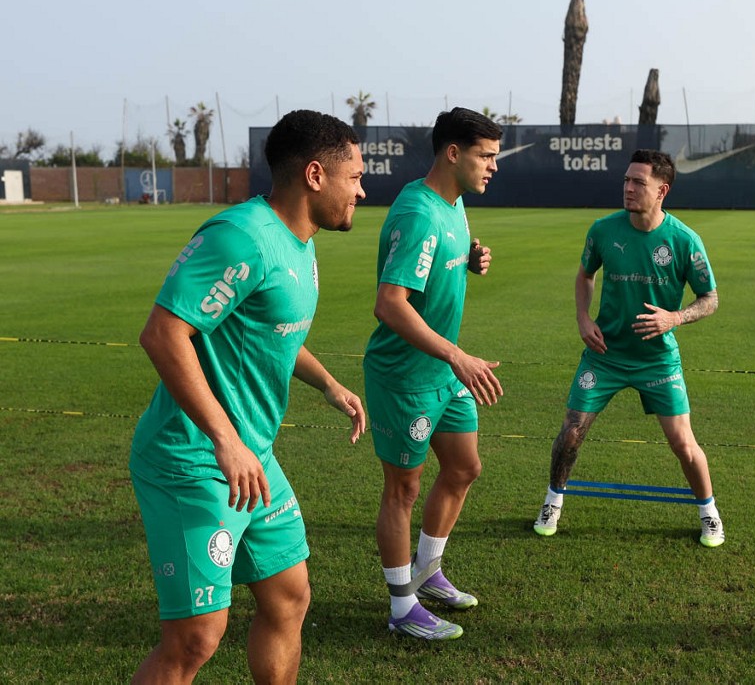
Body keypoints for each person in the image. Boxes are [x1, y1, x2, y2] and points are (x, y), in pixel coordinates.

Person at [129, 109, 369, 684]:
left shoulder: (301, 245)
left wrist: (329, 383)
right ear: (315, 175)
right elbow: (164, 333)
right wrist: (224, 439)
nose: (363, 188)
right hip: (194, 458)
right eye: (354, 176)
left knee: (289, 596)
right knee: (194, 639)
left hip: (250, 456)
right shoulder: (241, 236)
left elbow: (272, 335)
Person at [532, 149, 725, 547]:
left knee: (684, 445)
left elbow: (710, 299)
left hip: (657, 359)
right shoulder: (603, 230)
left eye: (639, 182)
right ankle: (553, 501)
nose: (628, 188)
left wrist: (675, 318)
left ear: (662, 190)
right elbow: (585, 274)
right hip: (605, 356)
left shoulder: (685, 241)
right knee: (571, 432)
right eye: (626, 180)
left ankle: (709, 513)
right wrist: (584, 318)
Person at [363, 107, 504, 641]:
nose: (493, 166)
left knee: (464, 467)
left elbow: (434, 257)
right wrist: (457, 357)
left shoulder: (453, 202)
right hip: (406, 376)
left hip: (444, 371)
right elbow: (390, 304)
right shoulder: (419, 211)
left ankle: (427, 571)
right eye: (485, 156)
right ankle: (402, 609)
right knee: (403, 489)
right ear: (453, 153)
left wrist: (469, 256)